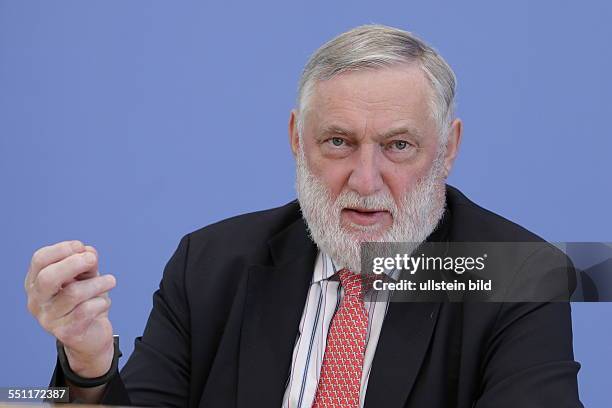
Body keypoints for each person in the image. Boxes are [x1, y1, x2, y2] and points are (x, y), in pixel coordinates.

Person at [25, 24, 583, 407]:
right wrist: (89, 364)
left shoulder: (519, 274)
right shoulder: (211, 263)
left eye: (399, 146)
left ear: (448, 148)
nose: (365, 182)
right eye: (338, 142)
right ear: (297, 139)